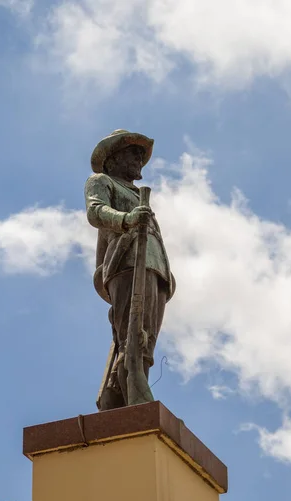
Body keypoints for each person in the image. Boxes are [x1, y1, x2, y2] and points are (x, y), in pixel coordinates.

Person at [85, 129, 175, 410]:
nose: (139, 158)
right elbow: (96, 211)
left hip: (153, 268)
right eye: (132, 152)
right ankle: (134, 392)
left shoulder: (137, 194)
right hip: (125, 263)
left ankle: (116, 396)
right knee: (131, 337)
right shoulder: (101, 181)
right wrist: (126, 219)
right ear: (112, 159)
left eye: (141, 153)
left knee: (145, 340)